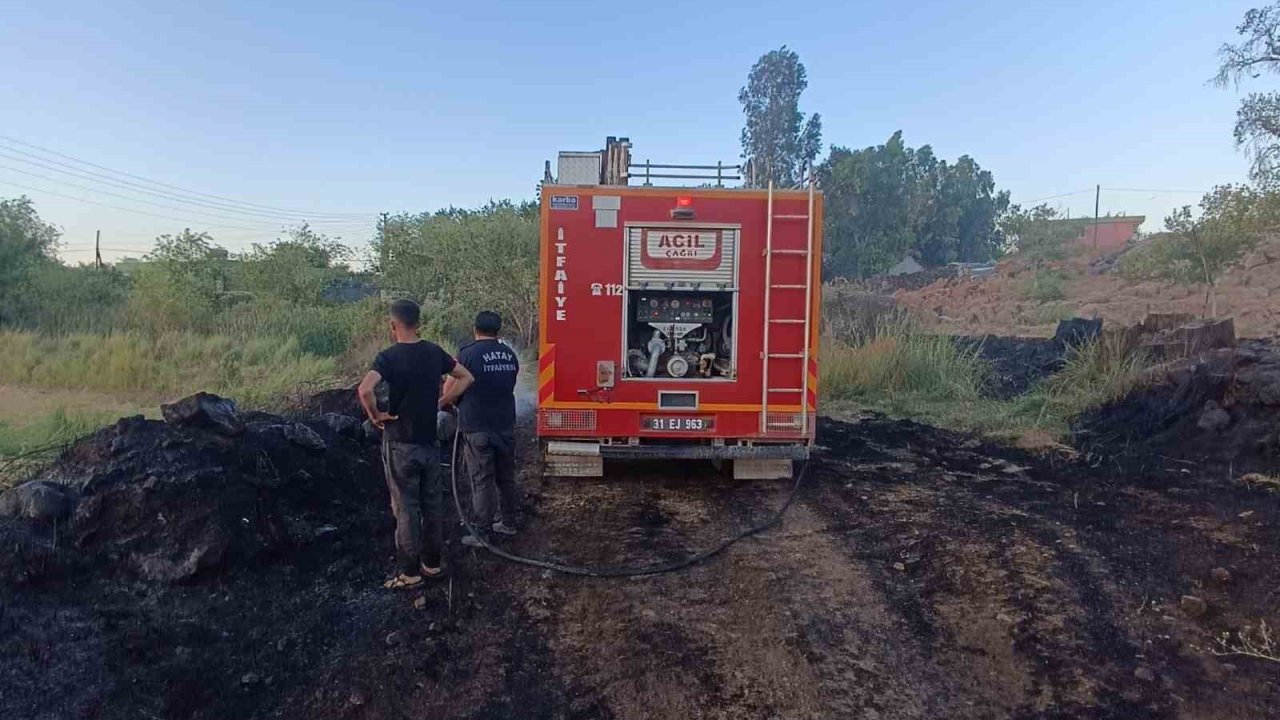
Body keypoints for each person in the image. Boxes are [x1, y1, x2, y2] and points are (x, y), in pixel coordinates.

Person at [358, 299, 473, 589]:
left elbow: (365, 389)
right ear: (418, 322)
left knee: (406, 508)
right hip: (429, 442)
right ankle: (432, 565)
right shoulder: (434, 352)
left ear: (393, 325)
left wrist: (376, 416)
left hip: (399, 442)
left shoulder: (388, 357)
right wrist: (443, 402)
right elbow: (465, 377)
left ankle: (409, 573)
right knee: (433, 504)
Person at [446, 310, 520, 547]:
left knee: (481, 479)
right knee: (506, 477)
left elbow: (450, 386)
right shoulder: (509, 355)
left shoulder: (467, 354)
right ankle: (509, 522)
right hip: (505, 424)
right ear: (498, 330)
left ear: (474, 329)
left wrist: (447, 402)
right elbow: (511, 383)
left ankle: (482, 533)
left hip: (477, 426)